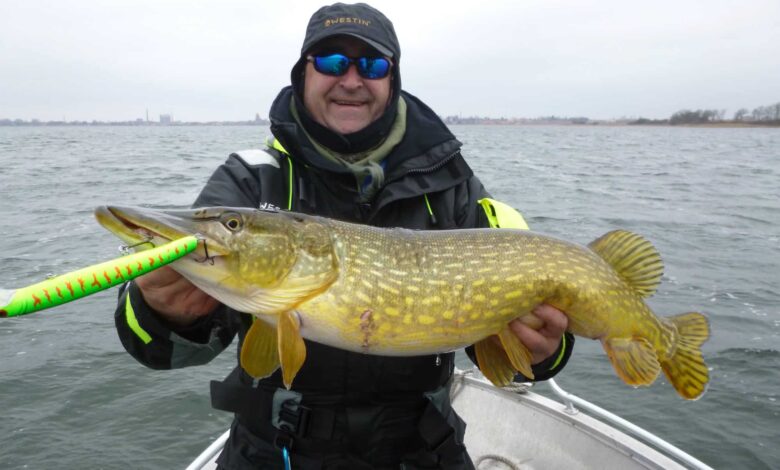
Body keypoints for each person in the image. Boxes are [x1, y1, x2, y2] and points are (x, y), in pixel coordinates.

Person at [114, 3, 574, 469]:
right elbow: (160, 352)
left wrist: (543, 351)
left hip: (421, 452)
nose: (351, 80)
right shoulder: (253, 182)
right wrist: (161, 314)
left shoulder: (453, 187)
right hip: (276, 452)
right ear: (303, 74)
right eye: (332, 61)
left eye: (372, 64)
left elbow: (511, 357)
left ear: (392, 79)